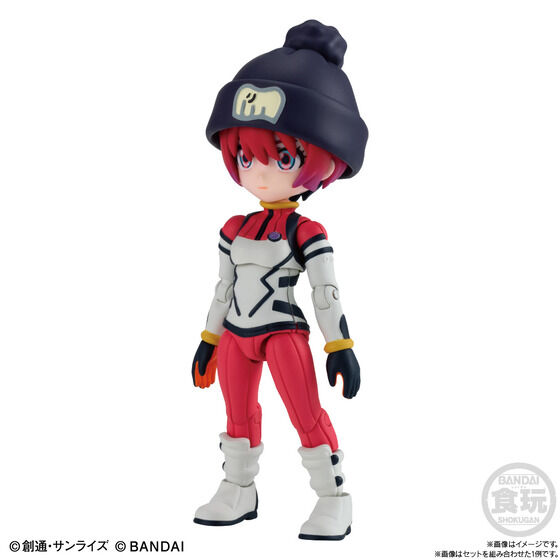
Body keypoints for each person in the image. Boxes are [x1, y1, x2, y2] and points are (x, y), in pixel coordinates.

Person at [191, 19, 368, 540]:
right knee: (237, 416)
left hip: (284, 334)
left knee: (305, 413)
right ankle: (238, 488)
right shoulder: (234, 228)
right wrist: (208, 340)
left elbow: (325, 293)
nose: (260, 172)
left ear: (324, 163)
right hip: (236, 337)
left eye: (282, 157)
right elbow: (222, 290)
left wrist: (340, 346)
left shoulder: (305, 231)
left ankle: (333, 498)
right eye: (245, 157)